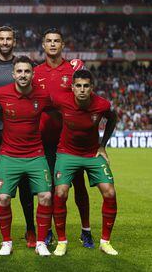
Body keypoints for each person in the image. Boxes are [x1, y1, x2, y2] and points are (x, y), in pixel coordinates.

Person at [34, 28, 93, 247]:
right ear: (43, 45)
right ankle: (49, 230)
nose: (52, 45)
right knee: (49, 188)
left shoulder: (73, 69)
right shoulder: (36, 71)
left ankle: (86, 230)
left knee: (79, 185)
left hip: (71, 139)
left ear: (62, 45)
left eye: (56, 41)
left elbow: (84, 97)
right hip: (45, 139)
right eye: (48, 41)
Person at [0, 25, 36, 247]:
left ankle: (30, 229)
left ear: (14, 41)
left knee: (24, 184)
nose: (5, 42)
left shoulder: (25, 65)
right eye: (1, 38)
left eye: (9, 39)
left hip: (19, 132)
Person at [52, 69, 118, 256]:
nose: (82, 89)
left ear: (92, 88)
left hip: (91, 154)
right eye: (78, 86)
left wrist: (102, 145)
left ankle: (105, 242)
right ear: (72, 88)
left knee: (110, 192)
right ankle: (62, 241)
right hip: (67, 153)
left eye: (86, 86)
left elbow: (112, 118)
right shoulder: (61, 100)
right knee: (60, 192)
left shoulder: (102, 104)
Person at [0, 56, 53, 256]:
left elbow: (63, 109)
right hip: (9, 155)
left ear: (33, 74)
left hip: (36, 154)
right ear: (13, 74)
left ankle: (41, 242)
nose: (23, 75)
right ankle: (6, 242)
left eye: (27, 71)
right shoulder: (1, 94)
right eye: (19, 71)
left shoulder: (43, 95)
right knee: (2, 198)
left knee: (45, 196)